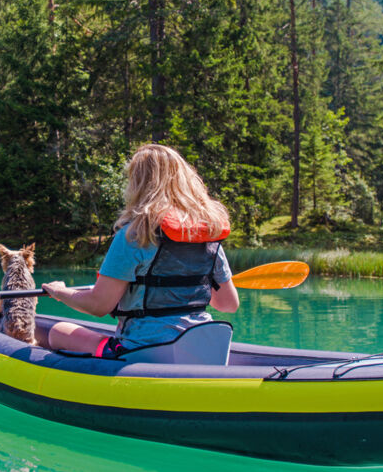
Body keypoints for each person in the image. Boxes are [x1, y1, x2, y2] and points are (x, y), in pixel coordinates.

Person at [40, 144, 239, 357]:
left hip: (146, 350)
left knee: (59, 332)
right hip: (201, 346)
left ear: (138, 184)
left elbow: (99, 305)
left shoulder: (135, 234)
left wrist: (59, 292)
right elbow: (228, 304)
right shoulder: (206, 234)